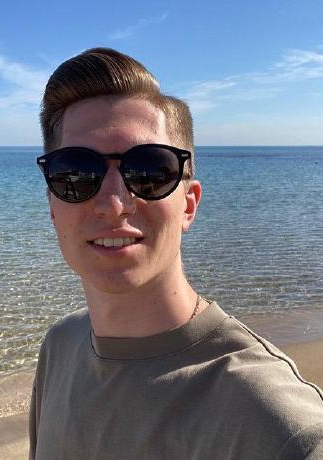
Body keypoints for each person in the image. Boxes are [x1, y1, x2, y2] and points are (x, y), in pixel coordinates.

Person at [29, 47, 323, 460]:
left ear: (188, 204)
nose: (113, 204)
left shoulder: (279, 429)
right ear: (52, 206)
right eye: (75, 174)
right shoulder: (60, 348)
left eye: (149, 171)